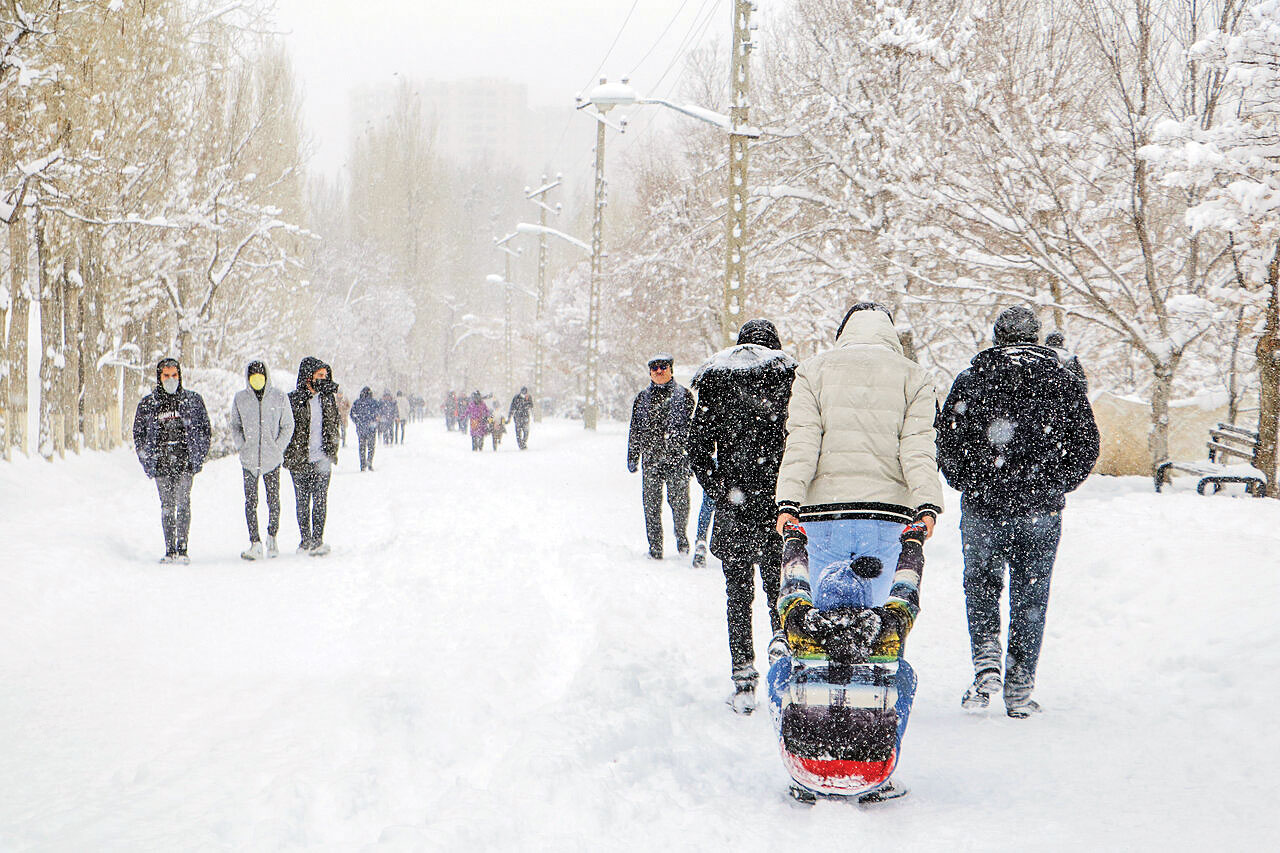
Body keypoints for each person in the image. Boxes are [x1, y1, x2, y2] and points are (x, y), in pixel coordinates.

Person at [936, 306, 1099, 718]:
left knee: (981, 585)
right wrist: (1057, 481)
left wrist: (966, 480)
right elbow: (1087, 443)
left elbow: (947, 439)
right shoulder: (1061, 379)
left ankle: (987, 657)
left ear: (997, 336)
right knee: (1032, 594)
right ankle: (1020, 687)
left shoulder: (972, 379)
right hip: (1039, 508)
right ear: (1034, 335)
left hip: (983, 505)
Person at [775, 302, 943, 610]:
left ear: (844, 332)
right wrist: (927, 506)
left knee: (821, 628)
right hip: (886, 518)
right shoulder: (914, 376)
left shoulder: (813, 372)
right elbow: (917, 448)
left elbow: (802, 443)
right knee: (883, 627)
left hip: (823, 517)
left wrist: (788, 503)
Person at [769, 520, 926, 804]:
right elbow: (907, 588)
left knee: (781, 668)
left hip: (805, 768)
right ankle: (882, 776)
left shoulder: (800, 623)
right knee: (903, 672)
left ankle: (801, 765)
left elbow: (793, 582)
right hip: (872, 770)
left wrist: (794, 539)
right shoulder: (887, 627)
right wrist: (913, 543)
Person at [688, 319, 798, 712]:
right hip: (777, 501)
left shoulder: (717, 381)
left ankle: (742, 676)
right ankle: (782, 661)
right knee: (781, 589)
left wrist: (719, 488)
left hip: (735, 505)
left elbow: (696, 447)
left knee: (737, 594)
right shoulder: (789, 380)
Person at [132, 357, 211, 564]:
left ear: (180, 376)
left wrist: (198, 456)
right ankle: (170, 550)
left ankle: (183, 549)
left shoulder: (192, 401)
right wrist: (147, 459)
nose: (170, 379)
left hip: (185, 463)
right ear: (159, 377)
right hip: (161, 464)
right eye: (166, 375)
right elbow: (139, 435)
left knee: (183, 503)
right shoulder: (149, 404)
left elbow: (205, 431)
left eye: (174, 375)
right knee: (167, 505)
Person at [627, 353, 694, 559]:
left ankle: (681, 536)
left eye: (663, 367)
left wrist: (693, 458)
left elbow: (693, 431)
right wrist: (632, 455)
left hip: (678, 459)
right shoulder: (642, 398)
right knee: (651, 505)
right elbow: (635, 429)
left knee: (680, 503)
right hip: (651, 459)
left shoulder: (684, 395)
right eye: (654, 368)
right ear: (649, 373)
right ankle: (655, 546)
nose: (659, 371)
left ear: (671, 370)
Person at [230, 360, 294, 560]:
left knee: (273, 500)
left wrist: (277, 449)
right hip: (249, 460)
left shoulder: (279, 397)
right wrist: (242, 446)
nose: (257, 378)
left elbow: (287, 426)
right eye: (252, 374)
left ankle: (272, 536)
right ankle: (254, 542)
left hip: (271, 460)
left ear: (266, 375)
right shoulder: (240, 399)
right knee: (251, 501)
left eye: (260, 374)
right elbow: (235, 426)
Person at [284, 357, 340, 556]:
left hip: (322, 458)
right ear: (309, 376)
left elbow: (334, 424)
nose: (324, 379)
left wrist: (333, 447)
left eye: (326, 375)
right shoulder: (292, 400)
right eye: (320, 375)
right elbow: (285, 428)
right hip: (299, 458)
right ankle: (305, 539)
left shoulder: (327, 398)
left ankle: (318, 539)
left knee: (320, 499)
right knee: (302, 500)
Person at [349, 386, 380, 471]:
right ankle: (369, 462)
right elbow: (378, 414)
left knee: (362, 447)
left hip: (361, 428)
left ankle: (362, 465)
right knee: (371, 447)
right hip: (371, 428)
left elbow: (352, 414)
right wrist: (375, 421)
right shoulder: (374, 402)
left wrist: (357, 422)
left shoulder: (357, 402)